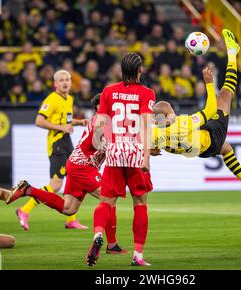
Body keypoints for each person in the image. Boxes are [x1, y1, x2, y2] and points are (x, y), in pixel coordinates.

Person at [6, 94, 127, 254]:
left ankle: (28, 190)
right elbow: (99, 142)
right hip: (83, 167)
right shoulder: (102, 121)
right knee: (109, 198)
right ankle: (112, 245)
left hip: (76, 165)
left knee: (68, 209)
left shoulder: (106, 121)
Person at [151, 29, 241, 199]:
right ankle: (233, 52)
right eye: (170, 112)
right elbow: (210, 110)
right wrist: (209, 84)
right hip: (210, 138)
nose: (173, 112)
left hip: (199, 148)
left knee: (226, 149)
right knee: (225, 94)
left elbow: (138, 144)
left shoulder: (152, 133)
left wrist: (149, 150)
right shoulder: (182, 124)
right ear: (167, 117)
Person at [86, 52, 155, 267]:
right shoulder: (147, 93)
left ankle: (98, 234)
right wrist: (146, 157)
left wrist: (106, 147)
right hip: (135, 152)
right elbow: (145, 125)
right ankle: (138, 255)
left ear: (121, 71)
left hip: (115, 151)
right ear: (139, 70)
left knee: (106, 201)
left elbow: (101, 125)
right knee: (140, 203)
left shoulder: (108, 91)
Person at [15, 70, 88, 231]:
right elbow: (39, 121)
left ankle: (71, 220)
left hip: (66, 142)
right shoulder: (52, 99)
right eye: (61, 80)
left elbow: (66, 120)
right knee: (55, 185)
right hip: (57, 144)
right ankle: (24, 210)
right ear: (55, 84)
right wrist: (61, 127)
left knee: (75, 179)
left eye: (67, 79)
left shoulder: (69, 98)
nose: (65, 82)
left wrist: (79, 122)